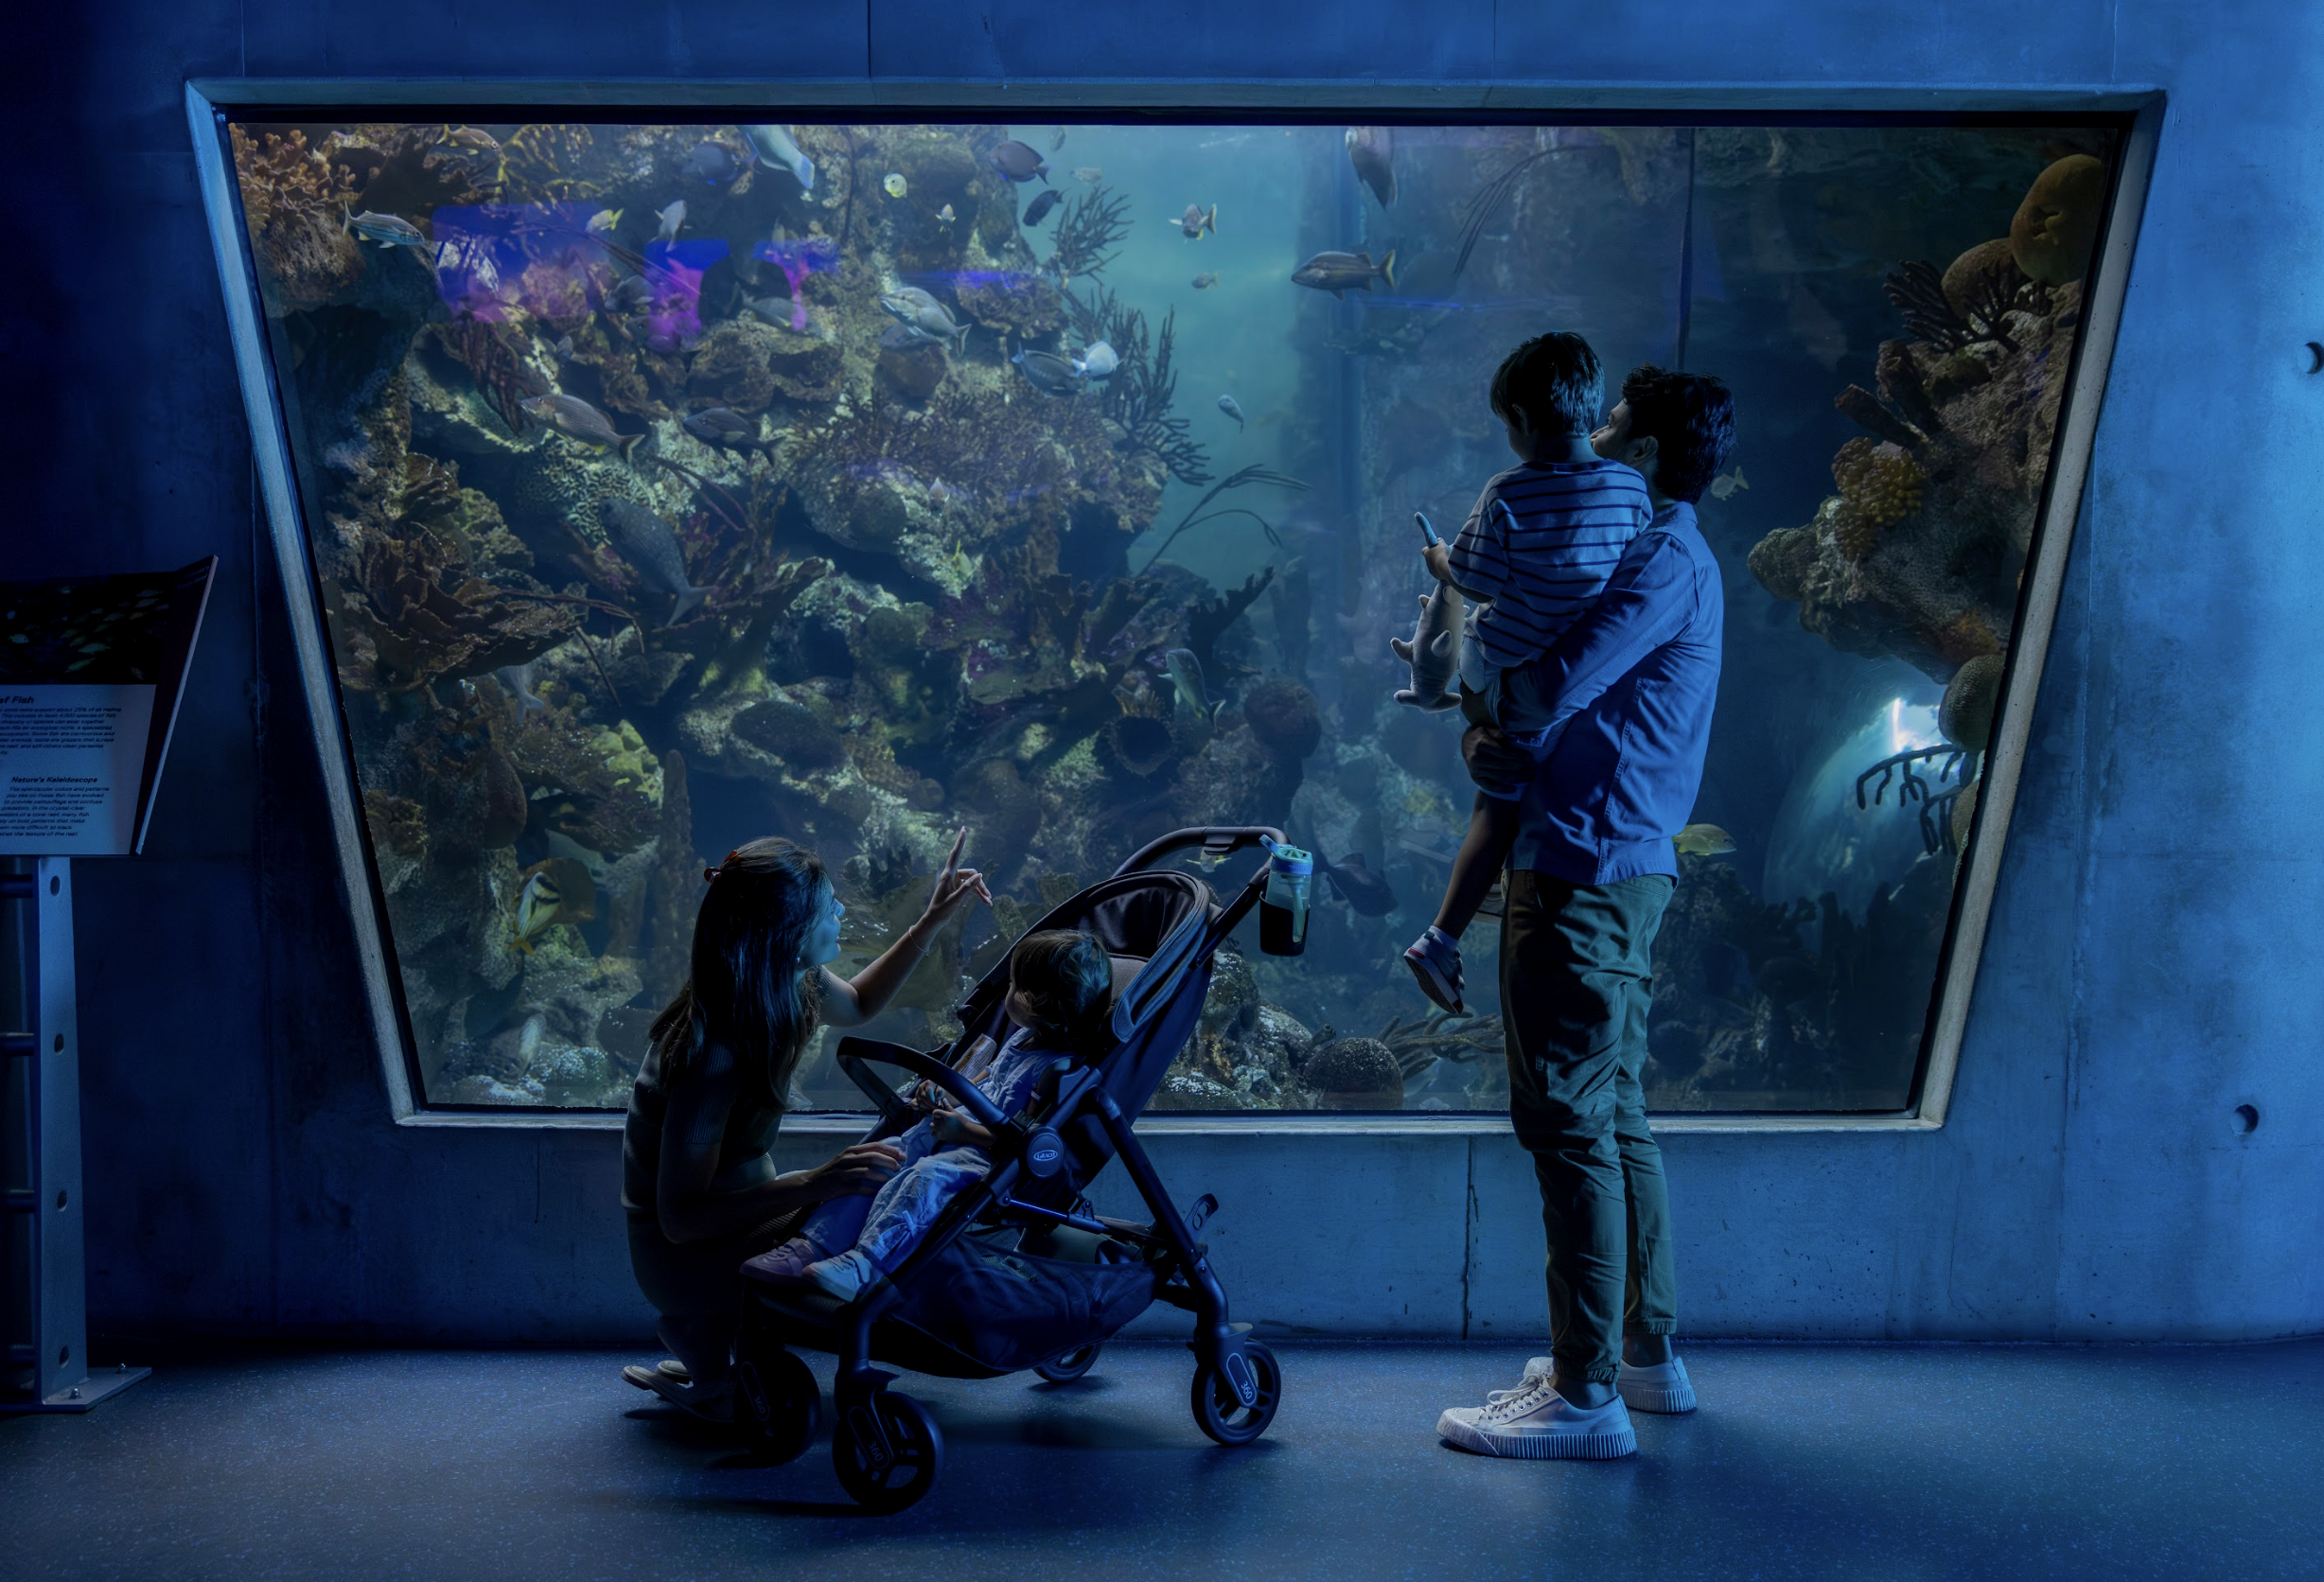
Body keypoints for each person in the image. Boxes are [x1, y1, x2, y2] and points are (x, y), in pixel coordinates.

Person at [1434, 364, 1736, 1462]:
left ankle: (1580, 1391)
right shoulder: (1670, 555)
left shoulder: (1657, 560)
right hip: (1615, 860)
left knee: (1562, 1124)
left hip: (1583, 867)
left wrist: (1480, 727)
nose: (1593, 433)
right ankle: (1638, 1352)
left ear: (1647, 449)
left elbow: (1552, 682)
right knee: (1613, 1115)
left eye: (1611, 421)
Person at [621, 830, 990, 1421]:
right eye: (827, 907)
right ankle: (703, 1330)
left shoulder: (794, 982)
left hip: (739, 1218)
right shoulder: (712, 1053)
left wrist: (933, 920)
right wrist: (814, 1183)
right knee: (855, 1221)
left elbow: (862, 1006)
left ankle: (714, 1349)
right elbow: (680, 1219)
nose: (841, 912)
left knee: (865, 1202)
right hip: (682, 1257)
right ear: (788, 934)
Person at [1400, 331, 1652, 1015]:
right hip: (1577, 670)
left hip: (1503, 664)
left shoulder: (1507, 491)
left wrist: (1439, 562)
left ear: (1517, 420)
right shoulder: (1631, 489)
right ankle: (1477, 902)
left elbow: (1477, 583)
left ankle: (1441, 938)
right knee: (1517, 789)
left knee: (1498, 802)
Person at [748, 929, 1116, 1299]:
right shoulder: (1022, 1037)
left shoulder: (1056, 1070)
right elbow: (989, 1080)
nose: (1007, 991)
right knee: (879, 1159)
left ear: (1032, 1000)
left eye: (1013, 984)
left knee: (925, 1177)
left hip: (983, 1159)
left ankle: (866, 1263)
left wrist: (965, 1133)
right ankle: (815, 1245)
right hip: (951, 1134)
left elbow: (1028, 1141)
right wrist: (948, 1093)